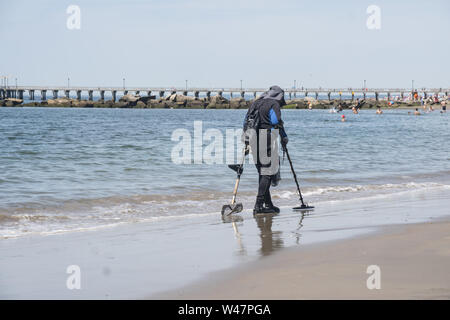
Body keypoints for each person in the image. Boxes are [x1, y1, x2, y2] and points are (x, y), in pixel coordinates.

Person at [243, 85, 288, 215]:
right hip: (266, 138)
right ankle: (258, 206)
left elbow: (245, 121)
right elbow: (275, 121)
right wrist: (283, 136)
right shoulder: (273, 104)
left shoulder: (255, 103)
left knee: (263, 173)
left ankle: (268, 204)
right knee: (267, 173)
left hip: (252, 138)